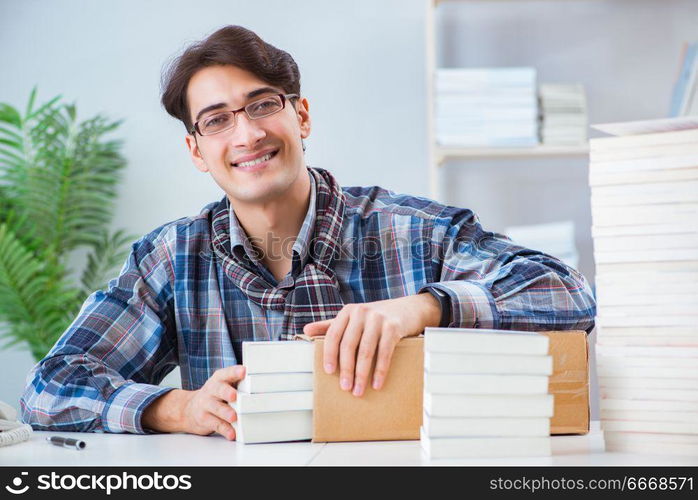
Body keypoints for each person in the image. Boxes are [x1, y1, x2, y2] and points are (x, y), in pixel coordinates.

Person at [21, 25, 595, 440]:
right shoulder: (174, 257)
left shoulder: (411, 232)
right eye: (217, 120)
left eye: (262, 105)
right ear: (197, 151)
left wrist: (422, 309)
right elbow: (48, 387)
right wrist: (173, 408)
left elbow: (571, 295)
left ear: (302, 117)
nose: (246, 135)